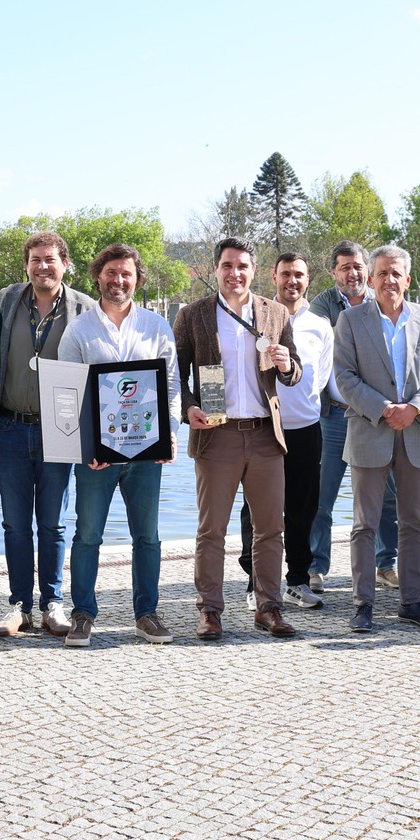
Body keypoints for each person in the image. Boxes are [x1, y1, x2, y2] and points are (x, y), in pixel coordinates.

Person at [173, 237, 303, 640]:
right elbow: (175, 375)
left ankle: (269, 607)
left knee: (270, 529)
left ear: (254, 270)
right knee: (212, 530)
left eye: (242, 266)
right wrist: (187, 408)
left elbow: (293, 371)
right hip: (217, 435)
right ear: (216, 270)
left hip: (265, 433)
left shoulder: (275, 312)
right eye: (228, 266)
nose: (235, 274)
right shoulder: (193, 315)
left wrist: (286, 366)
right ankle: (210, 611)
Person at [59, 243, 181, 645]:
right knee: (88, 534)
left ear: (137, 278)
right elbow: (68, 394)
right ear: (98, 276)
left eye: (126, 273)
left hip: (147, 453)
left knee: (147, 535)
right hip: (97, 457)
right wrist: (85, 447)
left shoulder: (157, 327)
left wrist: (171, 434)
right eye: (111, 272)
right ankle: (82, 613)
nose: (119, 280)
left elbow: (172, 385)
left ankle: (146, 613)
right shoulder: (79, 330)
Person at [330, 244, 420, 632]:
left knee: (415, 521)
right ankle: (362, 604)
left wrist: (414, 408)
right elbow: (345, 377)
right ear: (370, 278)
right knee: (364, 524)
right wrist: (385, 408)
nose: (389, 280)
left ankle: (412, 602)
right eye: (381, 273)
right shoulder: (350, 320)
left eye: (396, 273)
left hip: (417, 432)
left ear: (408, 279)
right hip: (370, 430)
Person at [0, 232, 96, 638]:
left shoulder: (83, 307)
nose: (42, 266)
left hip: (60, 428)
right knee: (15, 523)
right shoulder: (9, 298)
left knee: (53, 523)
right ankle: (19, 604)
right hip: (12, 426)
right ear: (26, 264)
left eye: (49, 259)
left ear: (64, 263)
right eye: (35, 259)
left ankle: (52, 603)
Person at [238, 253, 331, 612]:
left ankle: (297, 581)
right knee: (257, 511)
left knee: (303, 509)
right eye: (285, 274)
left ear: (308, 279)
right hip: (263, 428)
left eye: (299, 275)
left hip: (306, 427)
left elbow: (320, 377)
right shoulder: (257, 319)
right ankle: (255, 582)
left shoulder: (321, 325)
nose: (292, 281)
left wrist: (303, 405)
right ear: (273, 277)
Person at [307, 240, 397, 591]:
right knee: (322, 494)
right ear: (334, 272)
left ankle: (386, 562)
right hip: (334, 416)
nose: (352, 273)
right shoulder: (322, 306)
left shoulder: (381, 304)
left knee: (386, 495)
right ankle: (316, 565)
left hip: (374, 416)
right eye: (344, 267)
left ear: (368, 270)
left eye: (358, 266)